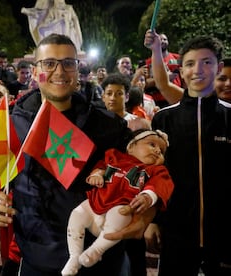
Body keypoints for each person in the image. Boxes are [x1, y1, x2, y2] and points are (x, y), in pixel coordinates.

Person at [0, 33, 157, 275]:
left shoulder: (107, 125)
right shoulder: (10, 126)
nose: (59, 72)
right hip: (38, 260)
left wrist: (149, 215)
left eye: (68, 63)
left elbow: (149, 174)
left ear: (77, 70)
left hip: (102, 260)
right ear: (35, 70)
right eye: (49, 63)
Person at [148, 34, 231, 275]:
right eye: (190, 63)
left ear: (219, 67)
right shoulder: (164, 118)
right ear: (181, 71)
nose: (198, 70)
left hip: (225, 234)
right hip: (176, 232)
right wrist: (153, 221)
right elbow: (154, 174)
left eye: (207, 62)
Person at [62, 129, 174, 276]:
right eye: (152, 144)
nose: (157, 151)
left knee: (120, 216)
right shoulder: (114, 155)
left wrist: (147, 196)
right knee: (76, 215)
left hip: (123, 205)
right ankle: (74, 256)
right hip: (97, 201)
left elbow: (162, 184)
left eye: (161, 151)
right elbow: (101, 166)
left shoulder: (156, 170)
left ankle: (96, 250)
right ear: (131, 146)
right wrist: (96, 175)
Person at [144, 33, 181, 108]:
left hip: (176, 97)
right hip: (157, 100)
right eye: (160, 39)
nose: (163, 41)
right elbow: (145, 83)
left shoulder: (177, 58)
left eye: (165, 39)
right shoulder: (148, 62)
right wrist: (165, 78)